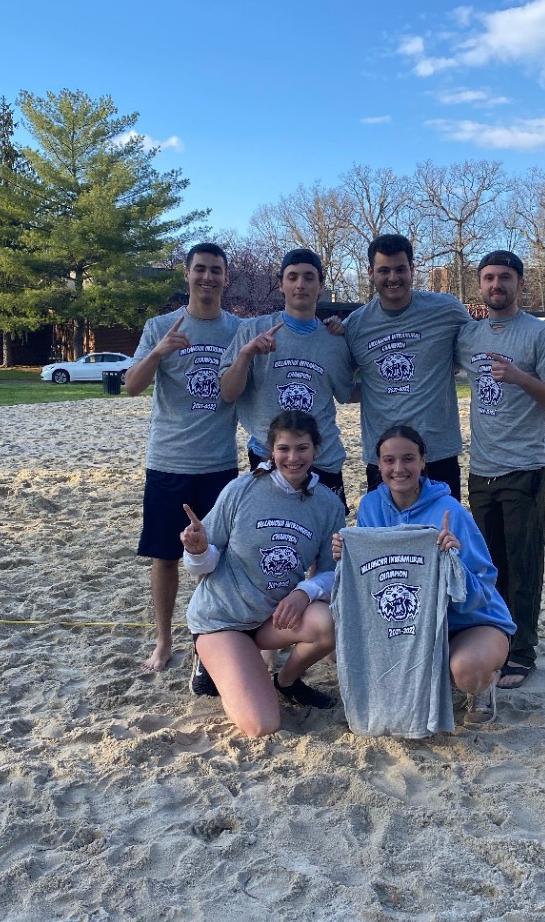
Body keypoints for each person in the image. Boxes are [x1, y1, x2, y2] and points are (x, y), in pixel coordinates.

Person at [334, 423, 514, 724]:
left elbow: (483, 585)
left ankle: (483, 684)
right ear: (378, 464)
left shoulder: (450, 511)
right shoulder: (370, 508)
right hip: (413, 624)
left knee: (466, 672)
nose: (399, 468)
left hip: (468, 622)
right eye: (389, 460)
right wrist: (345, 557)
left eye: (408, 459)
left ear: (422, 461)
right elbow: (367, 581)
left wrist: (455, 561)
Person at [183, 411, 345, 738]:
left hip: (272, 619)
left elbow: (332, 574)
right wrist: (197, 550)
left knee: (327, 621)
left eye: (302, 448)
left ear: (316, 450)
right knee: (262, 725)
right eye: (284, 449)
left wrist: (304, 592)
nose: (293, 457)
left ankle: (285, 681)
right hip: (224, 618)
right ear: (271, 451)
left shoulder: (328, 504)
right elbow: (202, 565)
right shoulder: (242, 490)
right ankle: (211, 658)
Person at [456, 251, 545, 690]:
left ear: (520, 284)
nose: (496, 285)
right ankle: (497, 642)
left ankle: (522, 652)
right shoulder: (468, 336)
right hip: (481, 468)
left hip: (525, 467)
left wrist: (521, 377)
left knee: (524, 566)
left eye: (505, 277)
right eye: (488, 278)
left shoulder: (541, 334)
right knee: (489, 566)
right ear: (479, 286)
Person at [127, 242, 241, 673]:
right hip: (168, 461)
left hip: (219, 463)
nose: (207, 277)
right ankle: (162, 641)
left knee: (216, 558)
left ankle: (211, 640)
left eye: (216, 271)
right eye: (200, 270)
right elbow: (132, 386)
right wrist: (159, 352)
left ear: (225, 278)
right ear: (187, 274)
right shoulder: (160, 326)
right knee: (165, 554)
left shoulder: (237, 328)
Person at [218, 248, 354, 507]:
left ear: (321, 285)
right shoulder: (252, 330)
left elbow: (345, 393)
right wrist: (246, 354)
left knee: (325, 540)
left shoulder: (334, 341)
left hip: (323, 458)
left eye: (308, 277)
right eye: (292, 277)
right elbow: (227, 392)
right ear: (280, 283)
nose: (300, 284)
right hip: (270, 456)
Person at [341, 234, 471, 498]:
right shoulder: (355, 325)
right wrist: (372, 390)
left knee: (441, 536)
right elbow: (340, 385)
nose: (393, 278)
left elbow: (474, 351)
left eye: (400, 269)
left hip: (437, 452)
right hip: (384, 457)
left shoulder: (446, 310)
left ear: (412, 269)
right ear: (370, 272)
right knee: (387, 537)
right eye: (384, 270)